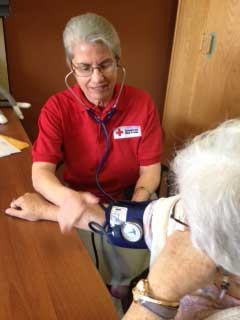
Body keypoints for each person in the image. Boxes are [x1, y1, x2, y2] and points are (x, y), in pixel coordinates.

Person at [6, 119, 240, 319]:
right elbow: (117, 221)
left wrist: (158, 295)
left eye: (198, 220)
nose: (182, 221)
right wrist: (46, 210)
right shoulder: (180, 211)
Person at [11, 12, 163, 301]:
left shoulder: (142, 104)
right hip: (78, 202)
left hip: (130, 199)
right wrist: (69, 199)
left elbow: (150, 171)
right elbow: (41, 173)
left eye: (105, 64)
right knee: (70, 284)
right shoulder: (57, 108)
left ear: (118, 60)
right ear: (71, 67)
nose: (97, 78)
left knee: (123, 282)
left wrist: (133, 208)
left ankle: (121, 285)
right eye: (85, 67)